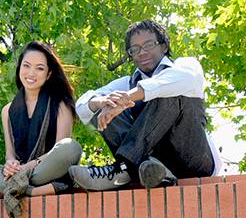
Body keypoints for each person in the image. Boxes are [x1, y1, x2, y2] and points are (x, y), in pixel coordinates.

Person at [69, 19, 221, 190]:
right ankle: (147, 168)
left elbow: (185, 78)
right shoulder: (127, 83)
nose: (142, 52)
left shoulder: (184, 66)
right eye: (135, 49)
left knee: (168, 91)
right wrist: (102, 102)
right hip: (147, 170)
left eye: (149, 44)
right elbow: (82, 105)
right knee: (103, 104)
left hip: (192, 161)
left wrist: (127, 98)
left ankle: (124, 166)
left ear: (164, 46)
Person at [0, 41, 82, 212]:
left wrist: (27, 167)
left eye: (39, 68)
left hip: (46, 170)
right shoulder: (7, 110)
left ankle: (7, 188)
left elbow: (60, 149)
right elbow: (10, 154)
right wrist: (10, 165)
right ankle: (31, 191)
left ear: (48, 74)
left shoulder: (60, 105)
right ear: (19, 68)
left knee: (71, 148)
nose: (31, 73)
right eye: (26, 66)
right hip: (21, 174)